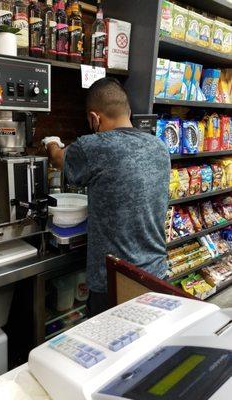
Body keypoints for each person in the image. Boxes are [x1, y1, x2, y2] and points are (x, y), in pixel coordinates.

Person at [43, 78, 170, 317]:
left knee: (111, 350)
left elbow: (58, 159)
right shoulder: (159, 146)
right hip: (157, 273)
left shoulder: (93, 146)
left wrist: (50, 142)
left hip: (116, 280)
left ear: (94, 118)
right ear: (128, 112)